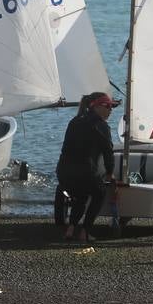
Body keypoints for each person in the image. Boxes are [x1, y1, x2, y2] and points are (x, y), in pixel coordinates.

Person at [55, 92, 117, 245]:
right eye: (107, 106)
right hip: (84, 171)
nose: (111, 110)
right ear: (95, 106)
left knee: (81, 195)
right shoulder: (100, 125)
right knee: (99, 192)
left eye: (112, 107)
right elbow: (108, 151)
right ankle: (85, 232)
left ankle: (70, 230)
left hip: (63, 172)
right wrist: (110, 173)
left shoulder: (75, 121)